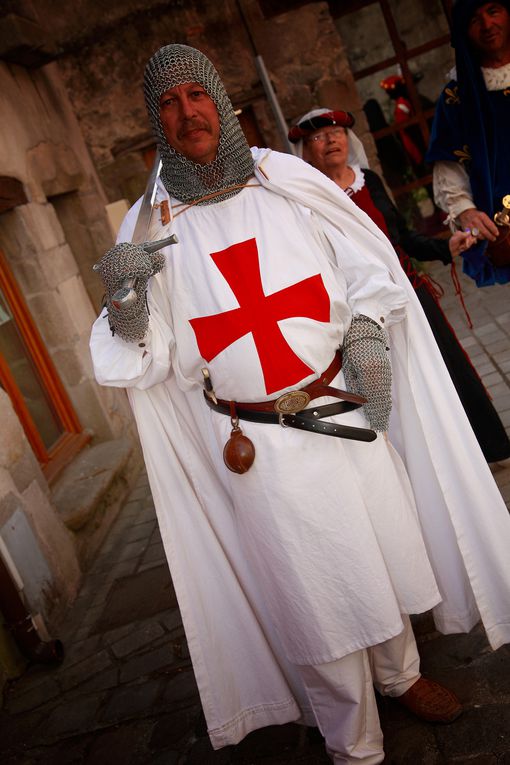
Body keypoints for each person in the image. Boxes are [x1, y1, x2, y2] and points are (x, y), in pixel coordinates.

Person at [90, 44, 510, 765]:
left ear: (220, 100)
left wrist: (370, 333)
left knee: (375, 547)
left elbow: (365, 265)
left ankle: (402, 674)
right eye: (169, 102)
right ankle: (354, 738)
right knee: (314, 586)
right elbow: (148, 355)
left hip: (339, 404)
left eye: (197, 94)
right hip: (257, 441)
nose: (187, 111)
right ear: (154, 119)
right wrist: (128, 302)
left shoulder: (283, 178)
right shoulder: (147, 226)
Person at [289, 107, 510, 465]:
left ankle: (489, 447)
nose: (331, 140)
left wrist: (444, 246)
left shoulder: (369, 181)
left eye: (337, 132)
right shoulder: (307, 199)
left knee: (447, 365)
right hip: (358, 312)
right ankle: (424, 462)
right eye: (318, 136)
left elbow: (401, 237)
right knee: (397, 387)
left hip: (407, 290)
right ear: (305, 150)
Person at [427, 0, 510, 286]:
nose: (487, 25)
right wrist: (465, 210)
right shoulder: (456, 98)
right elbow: (448, 169)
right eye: (475, 20)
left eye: (494, 11)